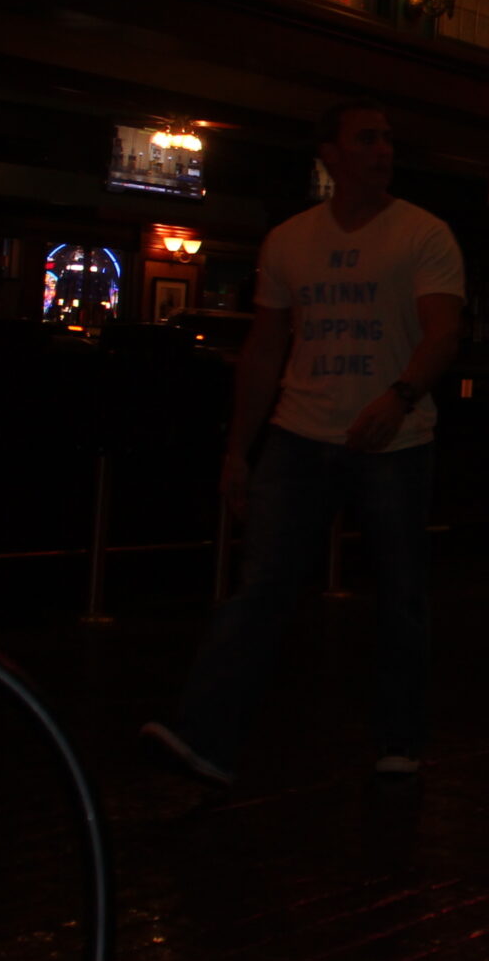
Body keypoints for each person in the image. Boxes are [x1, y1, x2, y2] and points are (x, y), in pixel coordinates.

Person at [143, 100, 464, 784]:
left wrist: (399, 396)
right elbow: (265, 350)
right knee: (262, 586)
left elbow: (442, 332)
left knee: (401, 593)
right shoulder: (290, 240)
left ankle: (399, 739)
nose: (382, 151)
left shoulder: (423, 233)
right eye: (367, 139)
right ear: (331, 155)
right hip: (299, 430)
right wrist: (240, 448)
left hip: (395, 440)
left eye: (387, 139)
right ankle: (205, 737)